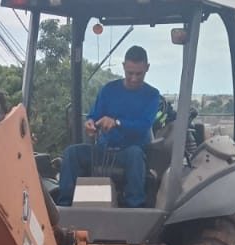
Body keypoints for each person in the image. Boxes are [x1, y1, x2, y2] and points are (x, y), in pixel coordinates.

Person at [57, 46, 160, 208]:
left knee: (135, 154)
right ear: (124, 66)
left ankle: (135, 207)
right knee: (72, 153)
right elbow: (94, 116)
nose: (133, 78)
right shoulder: (109, 90)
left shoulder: (153, 95)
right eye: (130, 73)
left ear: (147, 68)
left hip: (130, 152)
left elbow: (144, 125)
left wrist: (117, 123)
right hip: (103, 150)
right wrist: (90, 124)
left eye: (139, 74)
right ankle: (64, 207)